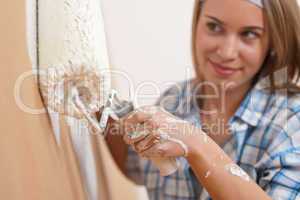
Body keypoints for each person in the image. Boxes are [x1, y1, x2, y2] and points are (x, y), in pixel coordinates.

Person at [105, 0, 300, 199]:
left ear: (274, 42)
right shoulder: (175, 100)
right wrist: (99, 101)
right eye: (214, 27)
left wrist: (195, 143)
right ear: (197, 24)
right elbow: (135, 167)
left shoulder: (291, 123)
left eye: (249, 34)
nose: (226, 52)